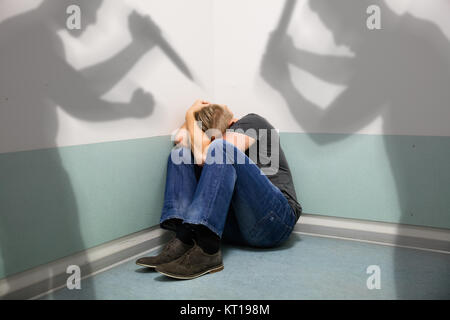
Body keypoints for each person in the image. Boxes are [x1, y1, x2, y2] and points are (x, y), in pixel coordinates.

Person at [136, 100, 302, 279]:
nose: (208, 141)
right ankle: (184, 238)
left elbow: (206, 155)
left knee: (220, 149)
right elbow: (180, 138)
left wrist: (193, 121)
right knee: (180, 153)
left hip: (275, 222)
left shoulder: (252, 122)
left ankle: (208, 249)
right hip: (234, 228)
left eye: (210, 137)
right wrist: (191, 115)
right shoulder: (218, 137)